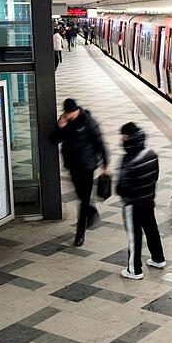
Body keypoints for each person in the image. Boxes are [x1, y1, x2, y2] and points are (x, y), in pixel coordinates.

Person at [49, 98, 109, 246]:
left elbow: (100, 143)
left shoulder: (89, 122)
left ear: (76, 110)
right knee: (82, 196)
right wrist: (60, 128)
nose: (67, 115)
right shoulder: (65, 122)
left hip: (87, 166)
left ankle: (80, 232)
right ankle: (91, 211)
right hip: (73, 166)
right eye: (66, 112)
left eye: (69, 112)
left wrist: (105, 164)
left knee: (83, 199)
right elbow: (53, 140)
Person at [116, 122, 166, 280]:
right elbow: (155, 177)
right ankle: (158, 259)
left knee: (134, 236)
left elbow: (121, 187)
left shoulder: (128, 160)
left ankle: (134, 270)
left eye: (123, 136)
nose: (121, 139)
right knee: (152, 229)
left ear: (128, 138)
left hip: (133, 204)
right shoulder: (151, 154)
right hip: (148, 200)